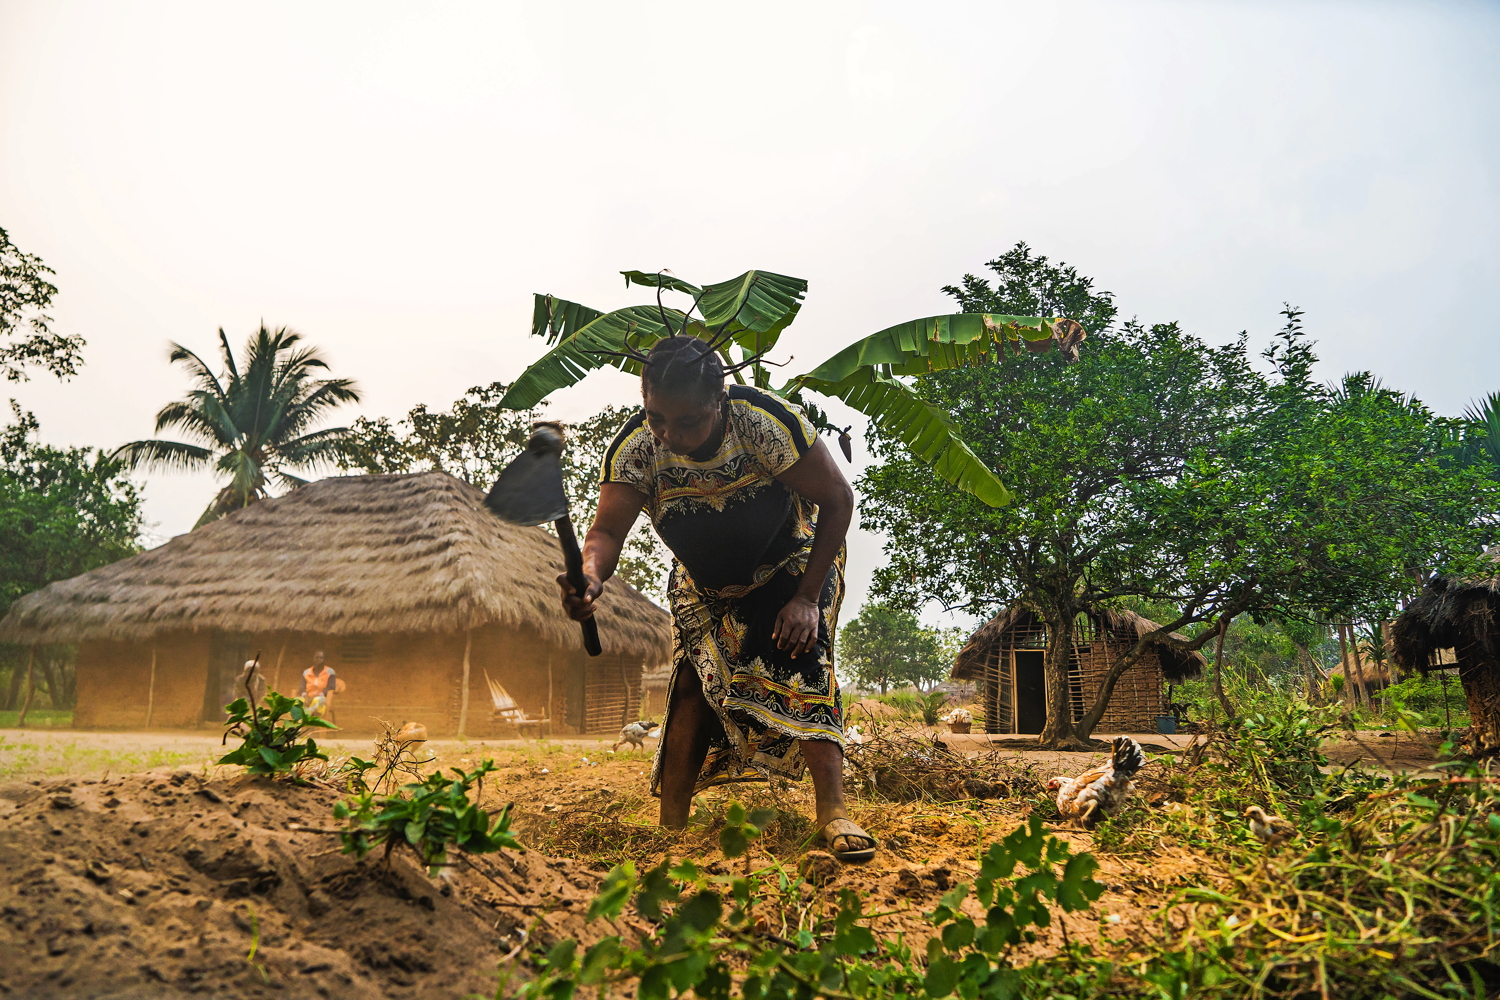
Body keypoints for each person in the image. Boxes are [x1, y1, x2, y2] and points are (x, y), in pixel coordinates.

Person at [560, 334, 875, 864]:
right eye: (658, 418)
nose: (670, 434)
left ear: (718, 402)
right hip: (703, 584)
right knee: (690, 686)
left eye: (687, 422)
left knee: (801, 656)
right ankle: (671, 831)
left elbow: (838, 499)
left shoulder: (764, 423)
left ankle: (833, 810)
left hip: (792, 563)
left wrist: (805, 599)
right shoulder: (636, 449)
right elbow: (606, 535)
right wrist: (589, 578)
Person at [299, 650, 338, 720]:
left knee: (317, 700)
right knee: (296, 702)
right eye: (316, 657)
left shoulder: (330, 672)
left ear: (325, 660)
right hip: (307, 697)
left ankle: (307, 718)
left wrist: (319, 694)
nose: (318, 659)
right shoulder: (306, 672)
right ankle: (296, 726)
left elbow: (331, 686)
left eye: (321, 658)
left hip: (322, 698)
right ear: (313, 659)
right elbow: (301, 686)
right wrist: (305, 696)